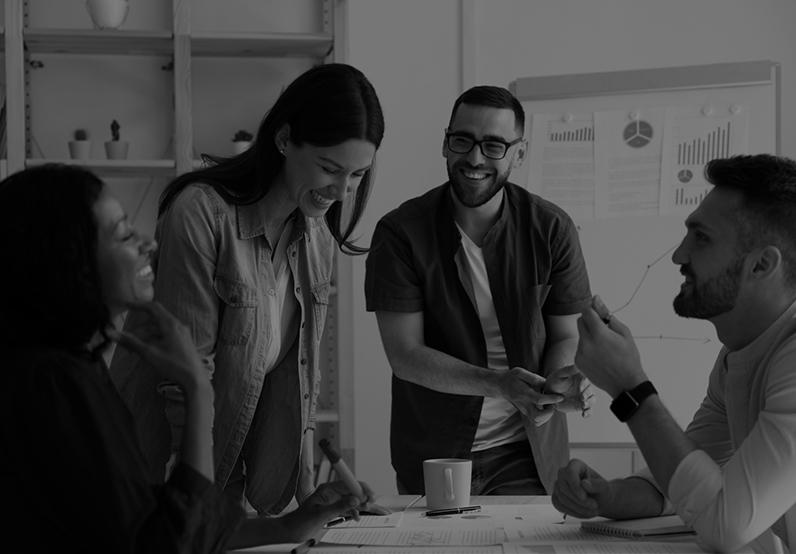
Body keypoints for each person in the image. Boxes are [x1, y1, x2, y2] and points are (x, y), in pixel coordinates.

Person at [0, 164, 375, 552]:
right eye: (125, 234)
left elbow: (156, 524)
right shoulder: (51, 387)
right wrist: (197, 390)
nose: (147, 245)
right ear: (69, 260)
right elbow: (164, 544)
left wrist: (291, 526)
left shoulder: (75, 367)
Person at [109, 63, 386, 515]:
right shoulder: (201, 214)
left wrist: (311, 495)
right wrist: (206, 504)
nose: (341, 191)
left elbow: (301, 379)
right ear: (283, 139)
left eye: (356, 175)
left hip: (224, 485)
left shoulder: (316, 236)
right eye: (329, 168)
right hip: (157, 475)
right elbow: (185, 380)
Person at [553, 154, 796, 553]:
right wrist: (607, 495)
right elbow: (684, 481)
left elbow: (726, 526)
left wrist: (630, 387)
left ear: (762, 265)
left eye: (701, 238)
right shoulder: (737, 357)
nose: (679, 256)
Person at [364, 85, 593, 496]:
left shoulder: (551, 228)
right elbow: (405, 356)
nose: (474, 157)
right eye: (462, 140)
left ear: (518, 154)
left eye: (493, 145)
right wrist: (499, 384)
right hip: (436, 454)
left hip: (528, 449)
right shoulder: (400, 233)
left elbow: (567, 334)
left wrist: (555, 385)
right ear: (446, 144)